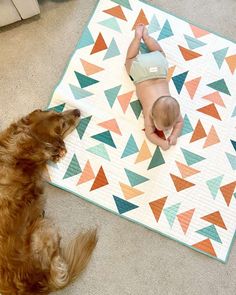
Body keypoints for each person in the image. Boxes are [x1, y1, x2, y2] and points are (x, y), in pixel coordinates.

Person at [125, 24, 183, 151]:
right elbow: (149, 134)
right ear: (152, 115)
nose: (166, 130)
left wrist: (174, 135)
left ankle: (143, 37)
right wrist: (161, 142)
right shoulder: (149, 113)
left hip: (158, 66)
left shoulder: (173, 112)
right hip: (141, 73)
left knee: (160, 53)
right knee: (129, 60)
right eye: (164, 128)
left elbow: (178, 122)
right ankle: (140, 38)